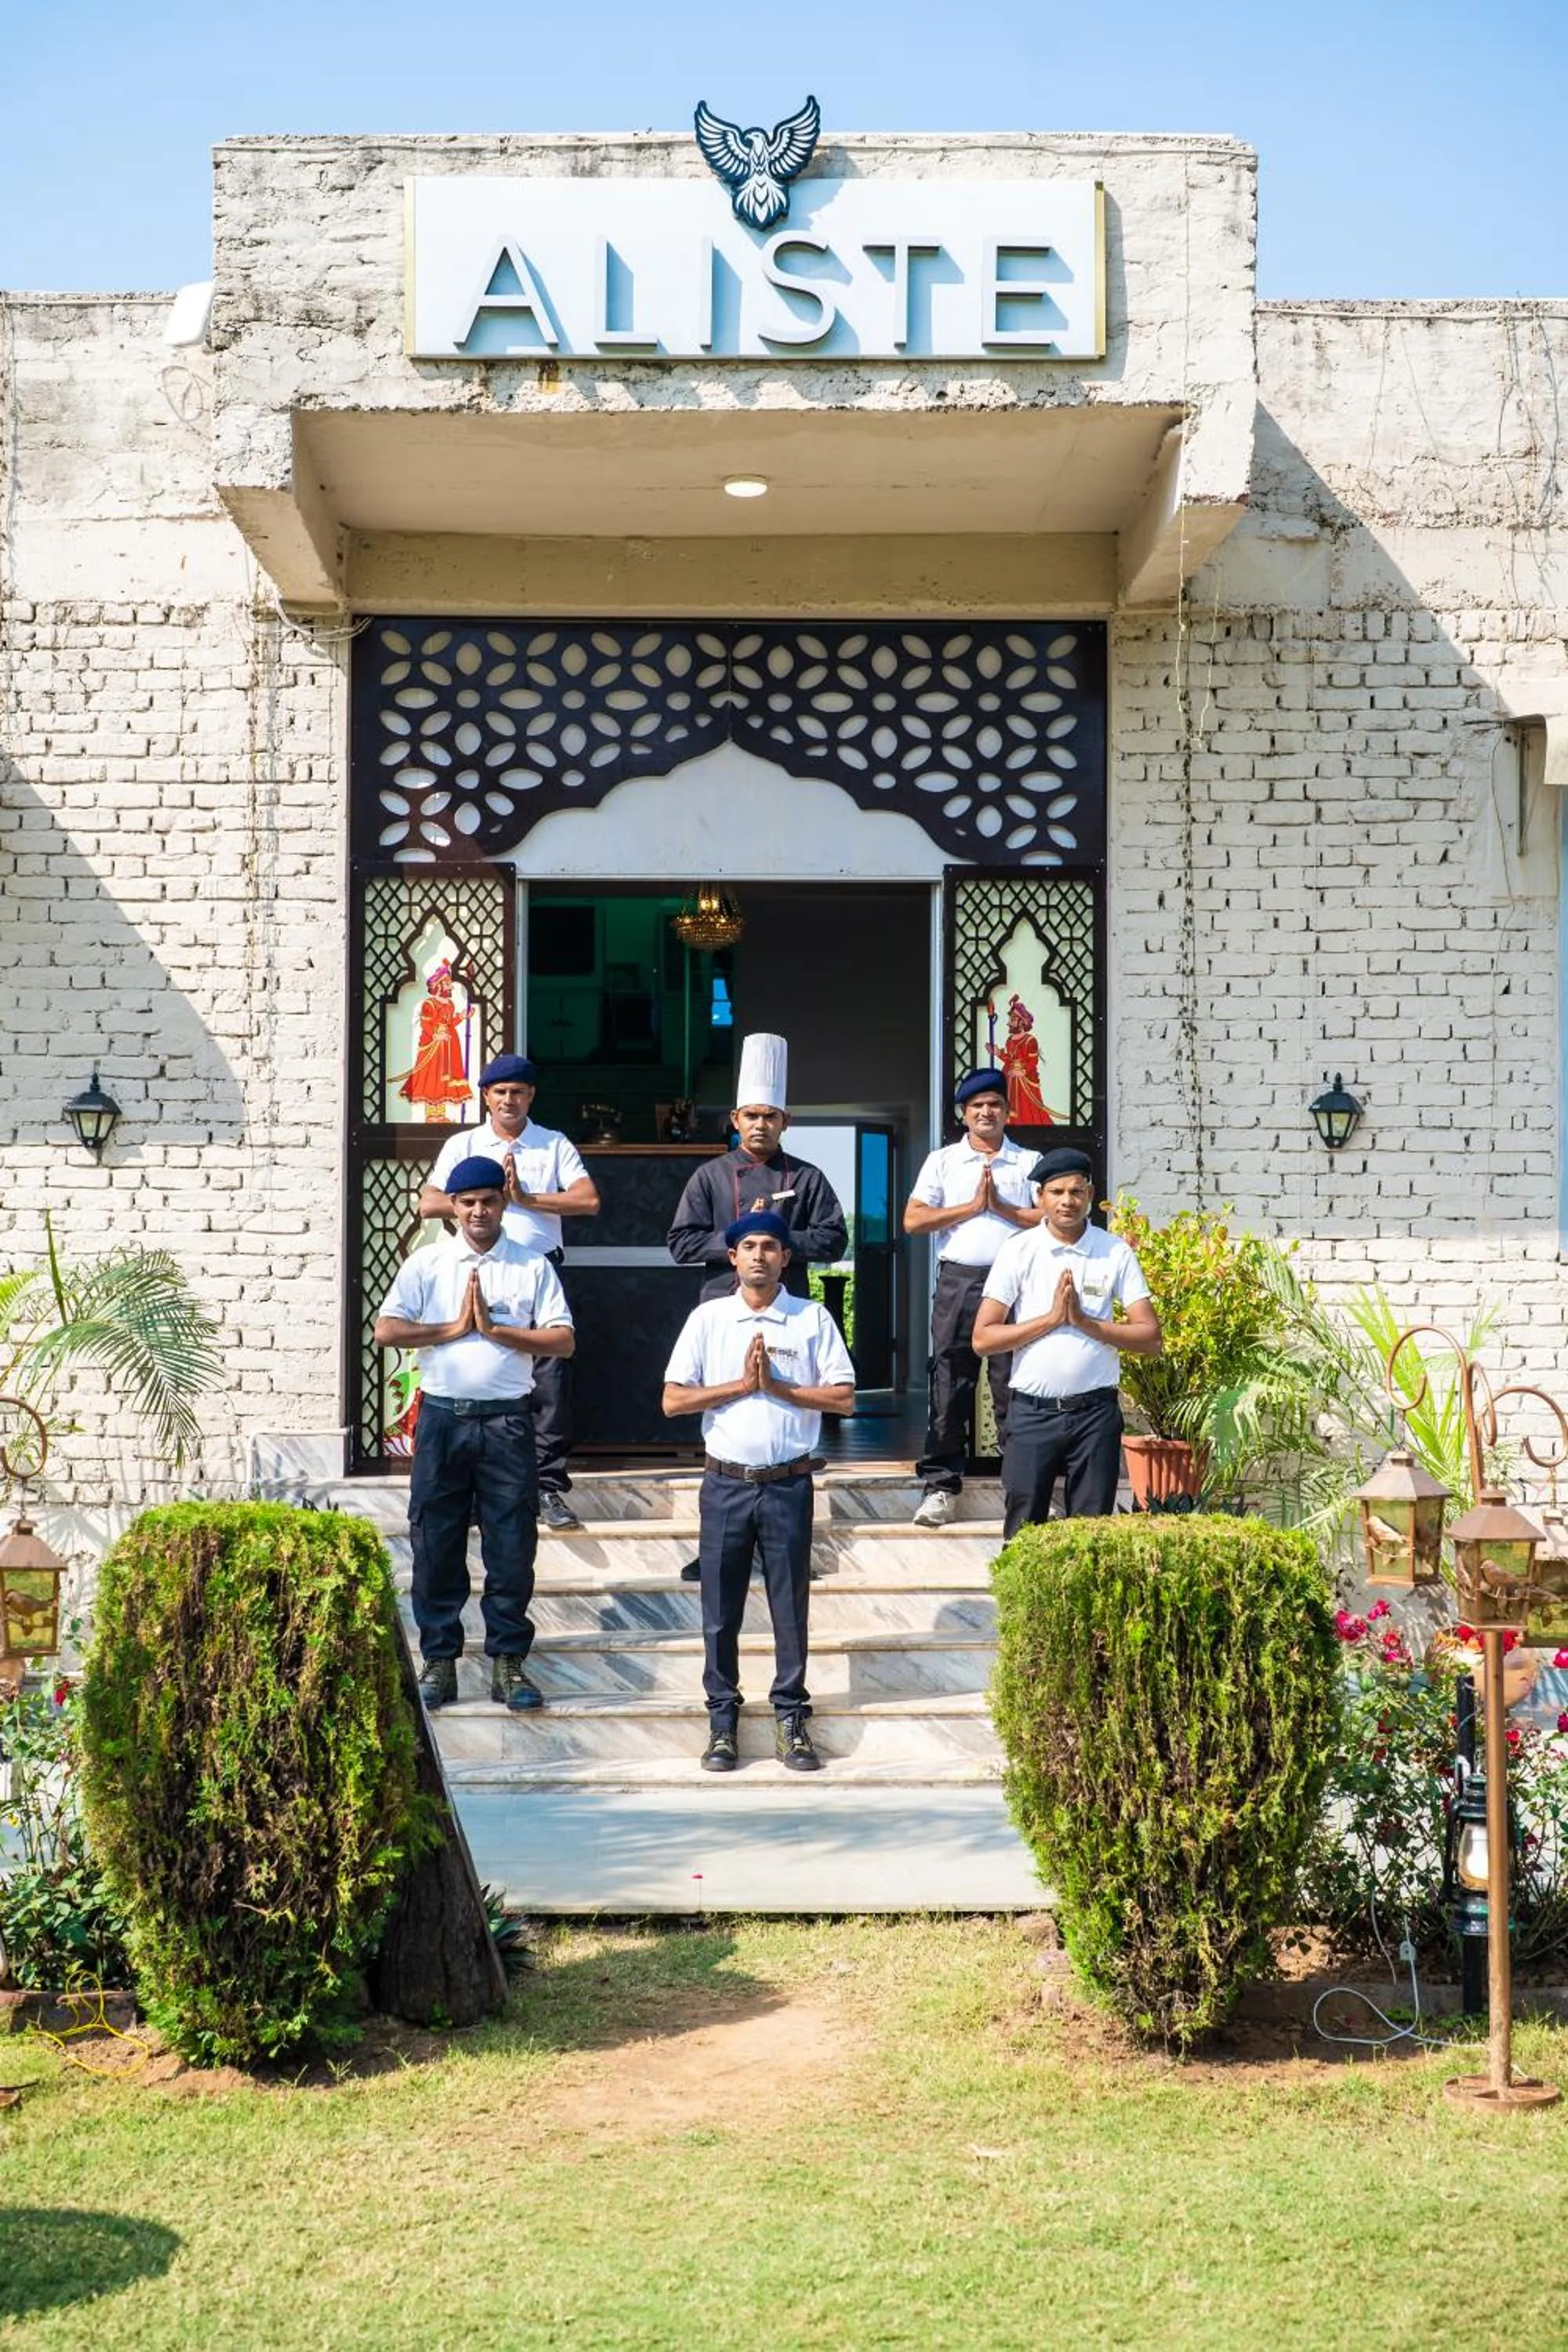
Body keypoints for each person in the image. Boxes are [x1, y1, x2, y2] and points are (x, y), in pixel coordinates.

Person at [376, 1155, 575, 1713]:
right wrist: (455, 1329)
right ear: (454, 1209)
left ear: (503, 1203)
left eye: (488, 1200)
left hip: (509, 1422)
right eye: (468, 1203)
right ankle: (440, 1662)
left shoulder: (532, 1265)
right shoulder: (428, 1264)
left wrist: (499, 1331)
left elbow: (562, 1341)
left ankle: (508, 1664)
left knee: (512, 1548)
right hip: (442, 1420)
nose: (479, 1211)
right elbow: (386, 1330)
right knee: (435, 1542)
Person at [662, 1210, 856, 1775]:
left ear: (785, 1258)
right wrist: (742, 1387)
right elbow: (673, 1400)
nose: (759, 1256)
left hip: (788, 1483)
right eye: (748, 1246)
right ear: (732, 1258)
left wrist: (781, 1388)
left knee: (789, 1607)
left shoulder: (811, 1318)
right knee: (719, 1611)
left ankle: (792, 1718)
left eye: (770, 1246)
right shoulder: (709, 1319)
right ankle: (722, 1721)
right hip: (725, 1483)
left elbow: (844, 1399)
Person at [421, 1054, 599, 1533]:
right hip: (476, 1268)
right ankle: (474, 1489)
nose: (509, 1100)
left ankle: (547, 1488)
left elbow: (587, 1199)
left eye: (518, 1091)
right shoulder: (464, 1143)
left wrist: (524, 1199)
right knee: (476, 1367)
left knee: (549, 1380)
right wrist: (485, 1193)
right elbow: (429, 1201)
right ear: (486, 1096)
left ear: (531, 1096)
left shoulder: (552, 1143)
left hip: (537, 1270)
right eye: (500, 1092)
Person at [972, 1148, 1163, 1539]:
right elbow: (983, 1338)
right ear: (1040, 1197)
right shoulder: (1018, 1250)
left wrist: (1083, 1322)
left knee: (1090, 1536)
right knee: (1023, 1531)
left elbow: (1150, 1337)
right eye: (1056, 1192)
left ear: (1090, 1195)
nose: (1067, 1201)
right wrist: (1050, 1319)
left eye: (1076, 1191)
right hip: (1031, 1414)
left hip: (1095, 1415)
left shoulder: (1114, 1251)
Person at [903, 1067, 1042, 1529]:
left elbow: (1050, 1215)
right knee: (950, 1379)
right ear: (964, 1114)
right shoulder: (942, 1161)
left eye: (996, 1105)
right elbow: (914, 1220)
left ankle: (1026, 1490)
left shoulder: (1028, 1162)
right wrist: (972, 1208)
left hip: (1017, 1283)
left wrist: (1002, 1208)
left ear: (1009, 1111)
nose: (987, 1112)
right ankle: (941, 1487)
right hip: (959, 1281)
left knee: (1015, 1383)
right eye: (977, 1105)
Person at [666, 1033, 848, 1304]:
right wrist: (737, 1237)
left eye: (770, 1116)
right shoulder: (710, 1176)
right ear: (735, 1120)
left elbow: (834, 1240)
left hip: (790, 1305)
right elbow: (681, 1244)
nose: (760, 1125)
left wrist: (778, 1238)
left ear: (785, 1121)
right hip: (722, 1304)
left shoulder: (807, 1178)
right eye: (751, 1115)